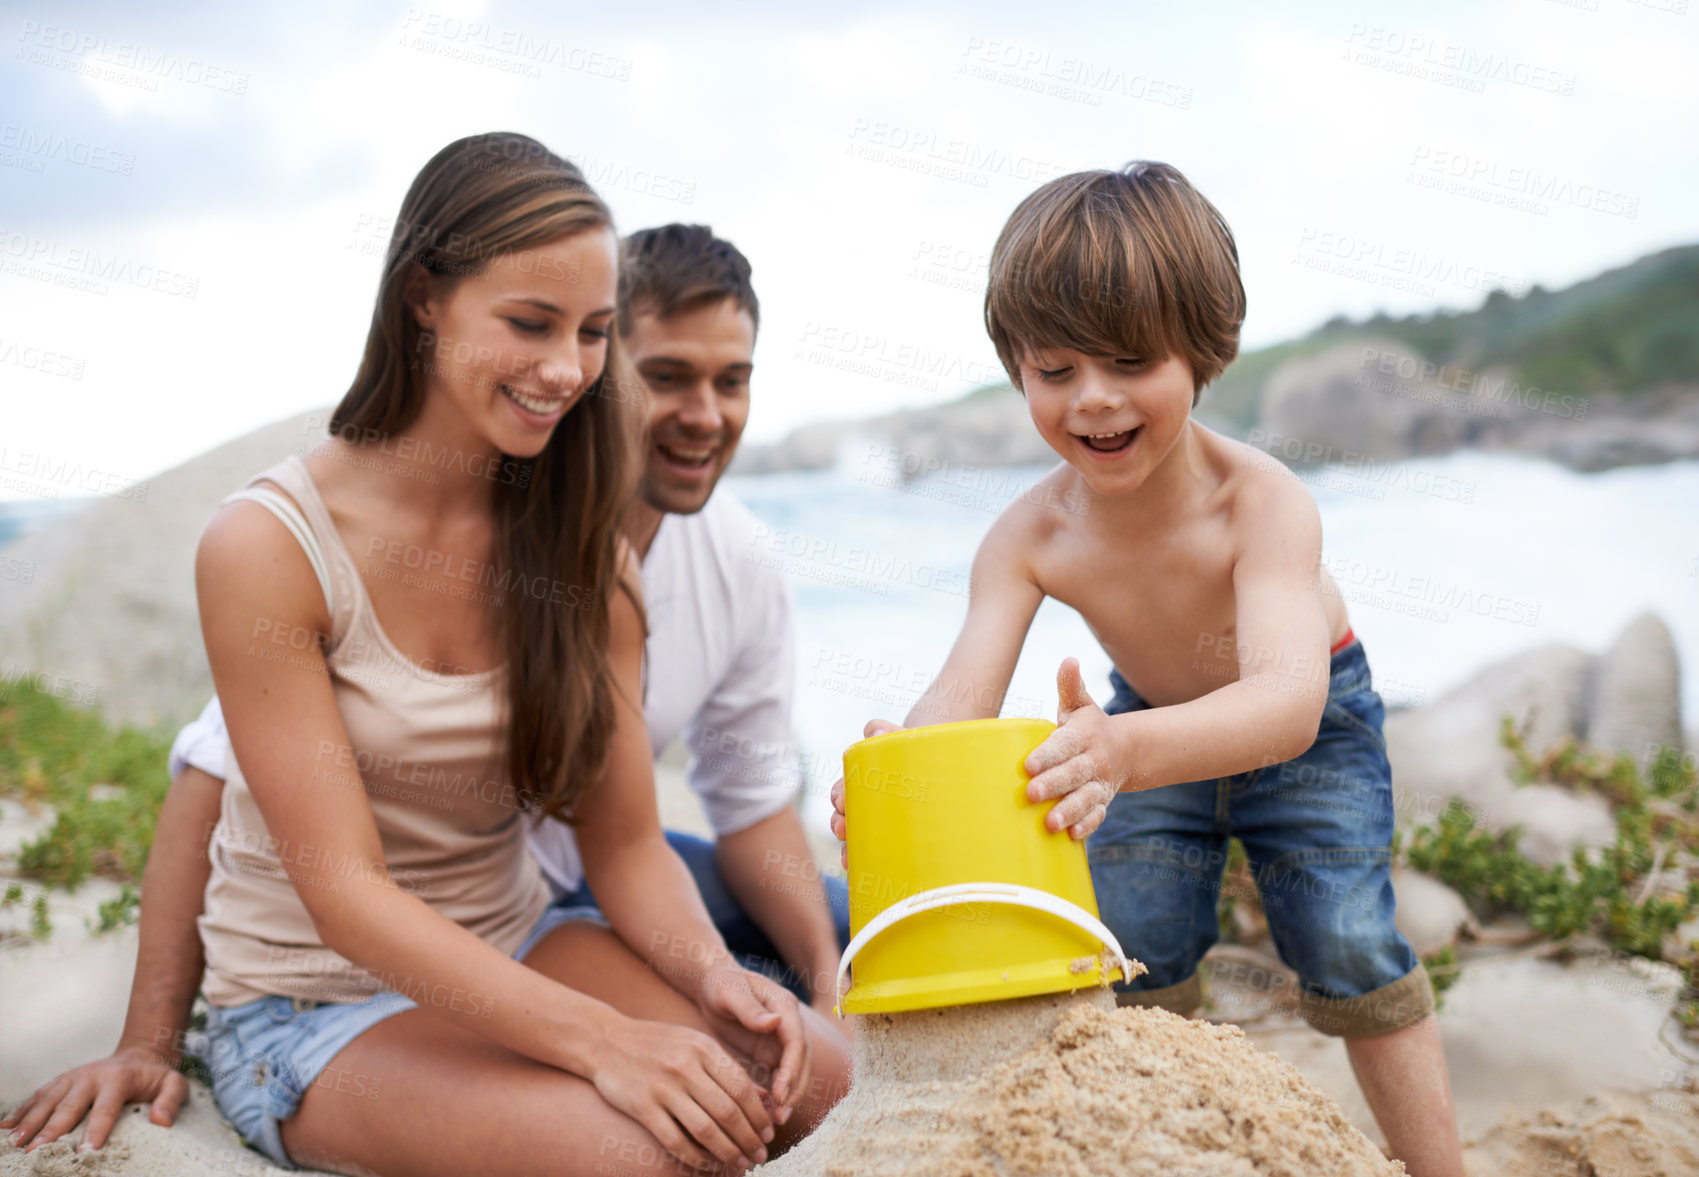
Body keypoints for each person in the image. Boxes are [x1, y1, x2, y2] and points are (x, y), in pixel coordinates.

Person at [8, 133, 847, 1176]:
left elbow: (628, 844)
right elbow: (342, 889)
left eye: (590, 334)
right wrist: (607, 1042)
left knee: (815, 1076)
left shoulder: (579, 546)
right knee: (651, 1149)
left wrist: (711, 973)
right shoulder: (268, 545)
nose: (564, 370)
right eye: (529, 324)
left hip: (522, 939)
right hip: (311, 1005)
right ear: (422, 299)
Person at [830, 162, 1464, 1177]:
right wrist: (895, 777)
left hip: (1305, 722)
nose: (1093, 399)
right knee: (1129, 948)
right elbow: (957, 701)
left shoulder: (1261, 505)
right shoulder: (1027, 533)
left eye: (1131, 361)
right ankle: (1159, 1142)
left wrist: (1122, 748)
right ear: (1018, 371)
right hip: (1142, 724)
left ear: (1203, 349)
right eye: (1055, 370)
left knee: (1343, 936)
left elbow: (1285, 703)